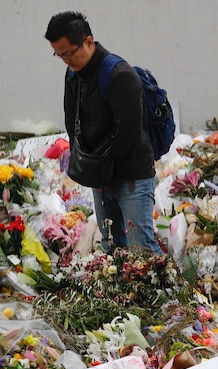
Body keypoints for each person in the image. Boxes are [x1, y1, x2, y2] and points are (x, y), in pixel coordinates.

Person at [45, 11, 163, 253]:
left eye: (69, 53)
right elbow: (72, 122)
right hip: (102, 175)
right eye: (60, 55)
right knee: (111, 244)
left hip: (131, 176)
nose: (66, 60)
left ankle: (174, 290)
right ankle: (122, 291)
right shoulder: (73, 75)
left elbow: (128, 136)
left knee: (141, 248)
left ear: (88, 41)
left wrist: (103, 178)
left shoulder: (119, 75)